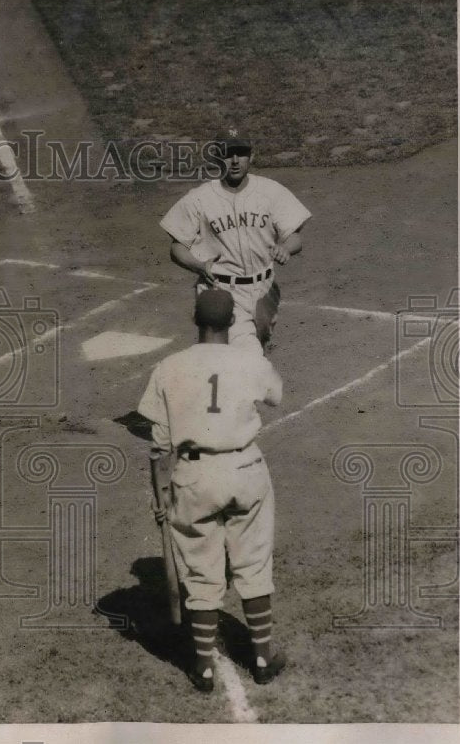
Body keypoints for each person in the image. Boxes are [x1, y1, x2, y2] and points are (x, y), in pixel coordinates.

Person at [138, 289, 286, 692]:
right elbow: (277, 395)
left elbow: (158, 445)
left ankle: (203, 667)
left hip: (194, 474)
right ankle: (262, 656)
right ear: (231, 322)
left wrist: (160, 495)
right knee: (253, 566)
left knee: (201, 574)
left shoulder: (169, 367)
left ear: (195, 319)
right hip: (244, 467)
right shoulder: (250, 360)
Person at [160, 126, 312, 355]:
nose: (234, 160)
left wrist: (286, 248)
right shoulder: (199, 198)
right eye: (227, 153)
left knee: (256, 346)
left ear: (251, 156)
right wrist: (199, 265)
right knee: (245, 357)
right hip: (221, 290)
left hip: (265, 290)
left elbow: (295, 237)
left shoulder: (271, 192)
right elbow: (177, 246)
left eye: (240, 153)